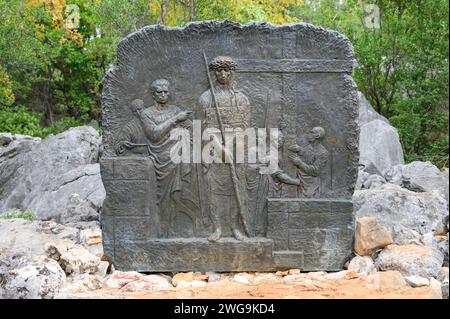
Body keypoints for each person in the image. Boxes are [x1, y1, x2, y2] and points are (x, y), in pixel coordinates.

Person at [198, 56, 250, 242]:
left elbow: (245, 126)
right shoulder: (206, 99)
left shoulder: (242, 99)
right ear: (213, 73)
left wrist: (232, 145)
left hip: (236, 149)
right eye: (219, 70)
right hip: (213, 151)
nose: (223, 74)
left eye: (226, 70)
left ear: (232, 72)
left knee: (237, 189)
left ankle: (235, 227)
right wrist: (219, 147)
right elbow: (202, 128)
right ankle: (217, 227)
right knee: (214, 191)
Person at [137, 79, 196, 237]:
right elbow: (154, 134)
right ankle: (160, 230)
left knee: (175, 195)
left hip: (177, 158)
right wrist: (176, 120)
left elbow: (190, 128)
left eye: (166, 92)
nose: (163, 95)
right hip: (159, 158)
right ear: (153, 95)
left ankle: (174, 228)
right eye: (159, 92)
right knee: (161, 197)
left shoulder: (175, 109)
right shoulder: (146, 113)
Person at [288, 126, 329, 198]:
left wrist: (300, 163)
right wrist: (300, 150)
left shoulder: (322, 152)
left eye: (311, 132)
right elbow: (308, 155)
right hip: (300, 181)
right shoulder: (308, 147)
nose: (308, 134)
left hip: (311, 185)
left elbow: (315, 171)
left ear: (317, 136)